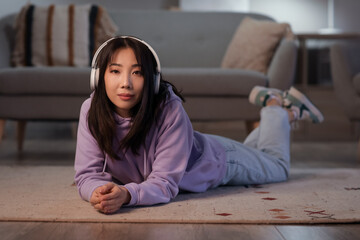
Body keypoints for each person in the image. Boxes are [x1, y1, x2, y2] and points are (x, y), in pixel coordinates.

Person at [74, 36, 324, 214]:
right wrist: (98, 191)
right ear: (99, 76)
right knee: (260, 155)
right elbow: (87, 175)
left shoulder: (169, 110)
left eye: (137, 72)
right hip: (198, 150)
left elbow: (164, 184)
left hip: (219, 160)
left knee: (277, 166)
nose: (125, 83)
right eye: (115, 71)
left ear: (151, 79)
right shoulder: (91, 110)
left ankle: (274, 108)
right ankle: (281, 109)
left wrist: (127, 194)